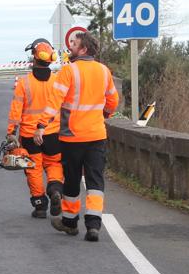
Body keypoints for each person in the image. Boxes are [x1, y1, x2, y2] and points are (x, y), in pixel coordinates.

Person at [38, 31, 118, 242]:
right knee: (95, 181)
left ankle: (70, 222)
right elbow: (112, 100)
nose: (70, 46)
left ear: (83, 49)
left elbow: (55, 100)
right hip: (97, 135)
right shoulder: (104, 71)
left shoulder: (68, 71)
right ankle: (93, 225)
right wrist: (106, 114)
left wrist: (41, 124)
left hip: (72, 137)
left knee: (72, 181)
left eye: (74, 44)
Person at [6, 39, 64, 219]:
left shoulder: (24, 83)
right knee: (54, 164)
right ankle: (55, 189)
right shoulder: (57, 82)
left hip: (30, 135)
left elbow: (16, 110)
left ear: (34, 57)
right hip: (53, 133)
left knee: (33, 168)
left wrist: (11, 132)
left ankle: (40, 206)